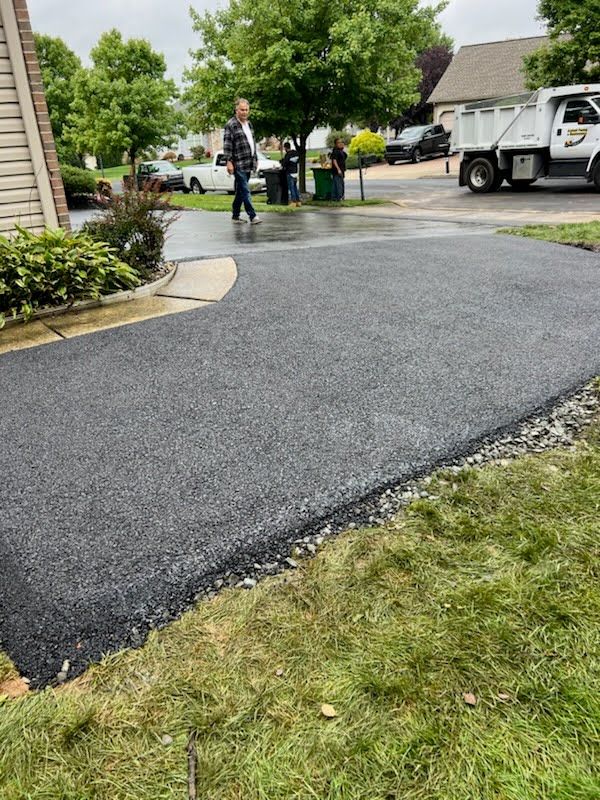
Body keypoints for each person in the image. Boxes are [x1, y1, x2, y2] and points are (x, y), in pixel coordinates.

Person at [223, 98, 262, 224]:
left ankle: (235, 215)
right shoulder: (231, 124)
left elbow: (253, 143)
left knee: (240, 190)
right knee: (245, 190)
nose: (244, 112)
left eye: (246, 110)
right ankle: (253, 216)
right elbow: (227, 144)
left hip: (249, 162)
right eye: (242, 110)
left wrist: (255, 159)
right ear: (236, 110)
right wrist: (228, 161)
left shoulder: (249, 124)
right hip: (238, 163)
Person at [281, 141, 301, 206]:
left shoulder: (288, 155)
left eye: (284, 148)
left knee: (291, 188)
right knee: (295, 187)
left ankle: (293, 202)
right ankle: (298, 201)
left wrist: (281, 162)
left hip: (290, 173)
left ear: (286, 148)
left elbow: (285, 164)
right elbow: (298, 161)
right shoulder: (296, 153)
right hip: (295, 172)